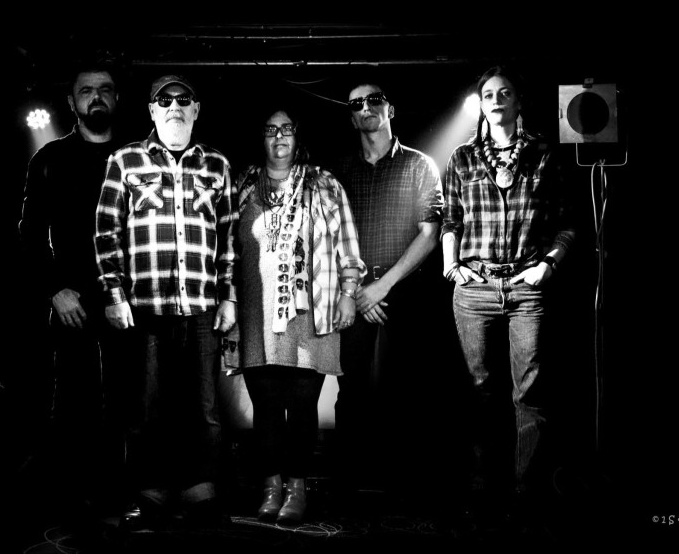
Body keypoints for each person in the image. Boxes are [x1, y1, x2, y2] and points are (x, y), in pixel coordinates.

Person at [94, 74, 237, 530]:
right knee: (147, 406)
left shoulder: (217, 164)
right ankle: (150, 494)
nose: (174, 105)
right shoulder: (125, 160)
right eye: (164, 99)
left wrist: (228, 297)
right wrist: (114, 295)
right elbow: (106, 232)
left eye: (183, 99)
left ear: (196, 110)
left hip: (202, 305)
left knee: (205, 408)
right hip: (145, 306)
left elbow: (229, 239)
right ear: (152, 110)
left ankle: (201, 491)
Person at [440, 65, 575, 522]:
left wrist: (547, 265)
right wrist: (451, 265)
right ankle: (482, 484)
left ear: (518, 101)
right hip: (475, 287)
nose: (496, 100)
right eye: (488, 94)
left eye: (505, 93)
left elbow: (567, 223)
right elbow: (451, 219)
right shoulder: (463, 157)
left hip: (526, 288)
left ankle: (525, 490)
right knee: (479, 389)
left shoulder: (543, 153)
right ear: (480, 104)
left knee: (529, 391)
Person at [229, 106, 365, 525]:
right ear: (261, 137)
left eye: (286, 129)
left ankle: (297, 488)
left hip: (310, 316)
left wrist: (348, 293)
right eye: (270, 129)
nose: (279, 137)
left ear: (297, 135)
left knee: (303, 406)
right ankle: (271, 487)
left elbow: (347, 244)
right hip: (255, 315)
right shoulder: (243, 185)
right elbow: (226, 246)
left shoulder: (324, 184)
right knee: (266, 407)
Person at [17, 58, 127, 520]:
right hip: (73, 299)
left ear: (116, 97)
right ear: (71, 100)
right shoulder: (50, 158)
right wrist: (54, 290)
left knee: (129, 401)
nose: (96, 97)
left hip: (129, 300)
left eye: (104, 89)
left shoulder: (137, 155)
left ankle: (120, 493)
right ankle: (70, 498)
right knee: (73, 402)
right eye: (86, 90)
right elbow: (29, 233)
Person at [332, 78, 445, 498]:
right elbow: (329, 239)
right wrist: (358, 290)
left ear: (390, 109)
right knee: (351, 390)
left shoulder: (419, 165)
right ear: (351, 117)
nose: (365, 107)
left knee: (405, 389)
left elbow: (429, 235)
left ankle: (404, 488)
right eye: (355, 103)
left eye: (373, 99)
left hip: (404, 292)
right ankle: (348, 486)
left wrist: (383, 286)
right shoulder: (340, 171)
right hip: (353, 294)